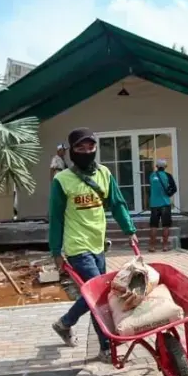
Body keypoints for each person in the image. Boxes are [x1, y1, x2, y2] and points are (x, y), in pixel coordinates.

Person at [49, 128, 138, 362]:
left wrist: (129, 230)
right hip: (77, 247)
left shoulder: (105, 174)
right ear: (71, 151)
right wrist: (56, 251)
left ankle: (65, 323)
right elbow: (56, 218)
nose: (87, 151)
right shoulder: (62, 180)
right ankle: (106, 348)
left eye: (91, 147)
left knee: (94, 294)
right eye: (81, 148)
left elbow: (117, 203)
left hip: (98, 244)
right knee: (100, 296)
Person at [148, 159, 177, 252]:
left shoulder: (152, 176)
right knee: (166, 226)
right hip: (165, 204)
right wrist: (168, 194)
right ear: (165, 167)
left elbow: (151, 188)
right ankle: (164, 246)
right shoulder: (168, 176)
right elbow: (174, 188)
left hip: (154, 204)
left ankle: (152, 247)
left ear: (156, 166)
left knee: (153, 226)